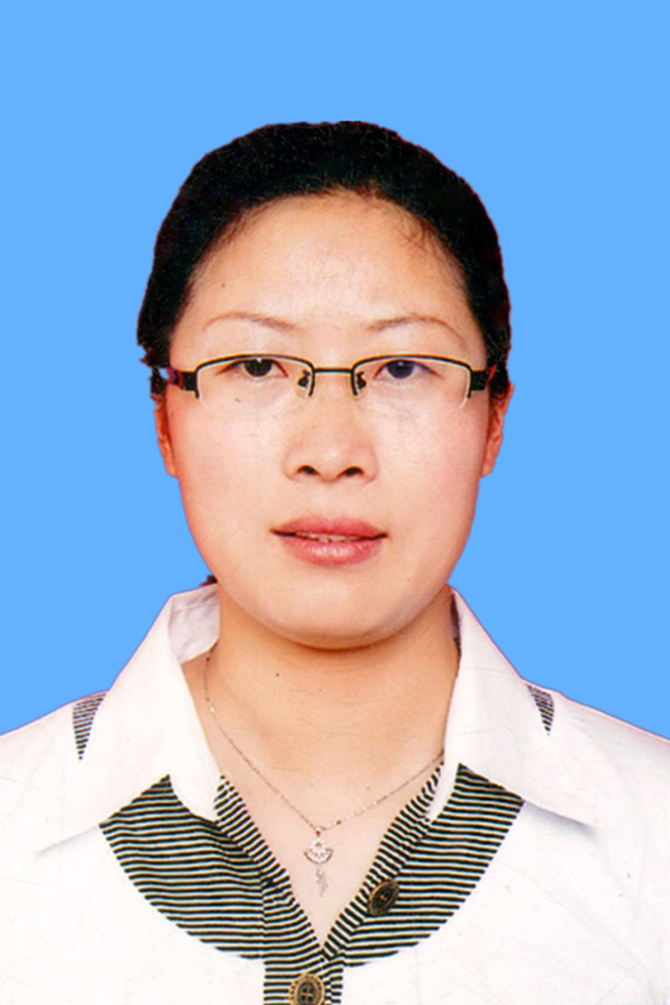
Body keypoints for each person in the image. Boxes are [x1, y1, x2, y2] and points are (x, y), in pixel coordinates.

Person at [1, 122, 668, 1005]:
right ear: (165, 418)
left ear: (494, 418)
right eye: (256, 364)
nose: (330, 451)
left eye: (402, 367)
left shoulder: (653, 837)